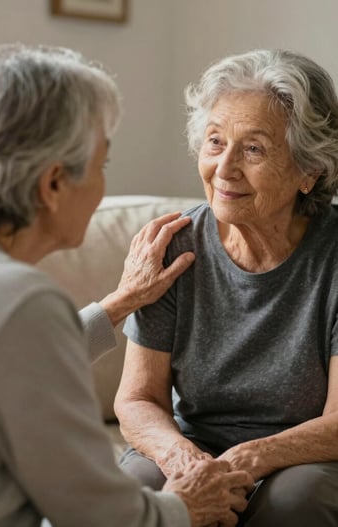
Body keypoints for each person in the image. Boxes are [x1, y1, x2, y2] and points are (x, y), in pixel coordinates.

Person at [0, 44, 253, 527]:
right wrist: (186, 507)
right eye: (102, 164)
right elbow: (96, 514)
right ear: (53, 184)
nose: (102, 185)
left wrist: (121, 302)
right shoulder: (20, 302)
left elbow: (7, 359)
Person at [115, 48, 338, 527]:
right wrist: (187, 462)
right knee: (134, 493)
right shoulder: (173, 247)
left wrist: (245, 460)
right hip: (189, 445)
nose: (225, 167)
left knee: (295, 500)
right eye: (215, 142)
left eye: (253, 148)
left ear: (309, 171)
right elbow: (136, 401)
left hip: (301, 457)